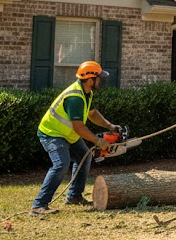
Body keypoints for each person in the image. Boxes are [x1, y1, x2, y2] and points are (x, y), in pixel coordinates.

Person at [31, 61, 120, 215]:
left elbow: (92, 114)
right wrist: (99, 141)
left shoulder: (86, 93)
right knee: (61, 164)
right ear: (90, 80)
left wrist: (110, 126)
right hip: (52, 133)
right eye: (99, 77)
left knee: (84, 158)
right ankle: (39, 205)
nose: (102, 80)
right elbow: (79, 127)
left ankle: (74, 196)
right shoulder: (75, 98)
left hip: (68, 134)